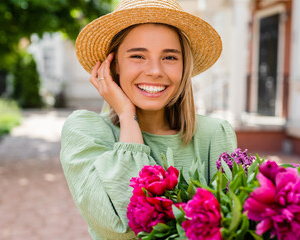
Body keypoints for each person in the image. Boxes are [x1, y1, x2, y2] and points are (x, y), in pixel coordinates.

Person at [60, 0, 237, 239]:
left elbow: (230, 229)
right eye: (138, 56)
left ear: (184, 67)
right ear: (114, 66)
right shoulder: (85, 132)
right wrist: (126, 115)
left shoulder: (214, 135)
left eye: (170, 58)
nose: (155, 70)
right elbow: (123, 229)